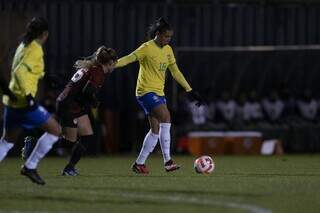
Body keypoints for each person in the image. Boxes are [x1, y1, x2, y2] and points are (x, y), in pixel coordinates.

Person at [115, 17, 204, 174]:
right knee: (166, 118)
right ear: (157, 34)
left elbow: (175, 71)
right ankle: (168, 161)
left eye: (170, 37)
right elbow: (130, 58)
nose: (168, 39)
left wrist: (189, 90)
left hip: (159, 92)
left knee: (155, 131)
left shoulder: (168, 50)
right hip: (145, 91)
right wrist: (112, 64)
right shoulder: (146, 48)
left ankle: (139, 163)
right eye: (166, 36)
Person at [0, 17, 61, 185]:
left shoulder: (23, 45)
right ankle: (30, 166)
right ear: (45, 34)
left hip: (12, 101)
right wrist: (29, 97)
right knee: (55, 130)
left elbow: (24, 70)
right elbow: (20, 72)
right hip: (24, 103)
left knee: (7, 141)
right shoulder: (35, 48)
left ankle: (30, 166)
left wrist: (46, 76)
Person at [55, 46, 117, 176]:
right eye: (114, 64)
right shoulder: (98, 72)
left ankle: (69, 168)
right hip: (69, 104)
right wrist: (94, 102)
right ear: (110, 63)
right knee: (69, 140)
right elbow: (87, 91)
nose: (114, 67)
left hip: (75, 104)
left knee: (87, 136)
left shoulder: (93, 67)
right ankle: (34, 145)